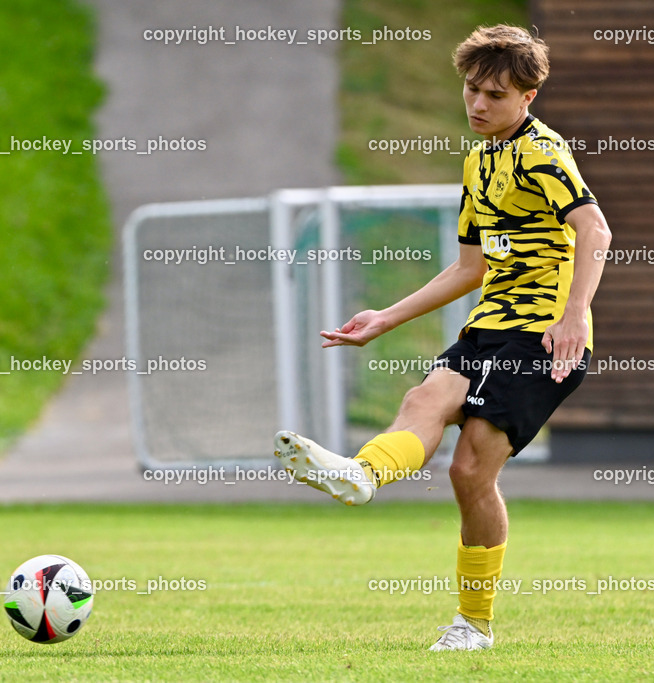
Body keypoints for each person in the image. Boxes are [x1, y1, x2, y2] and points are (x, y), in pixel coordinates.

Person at [273, 23, 612, 651]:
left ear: (528, 98)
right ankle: (363, 475)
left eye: (496, 95)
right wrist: (384, 319)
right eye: (472, 90)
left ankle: (474, 626)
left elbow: (595, 231)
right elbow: (471, 267)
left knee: (468, 469)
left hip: (543, 338)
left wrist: (574, 314)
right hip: (490, 326)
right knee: (422, 403)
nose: (479, 105)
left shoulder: (542, 153)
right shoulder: (480, 158)